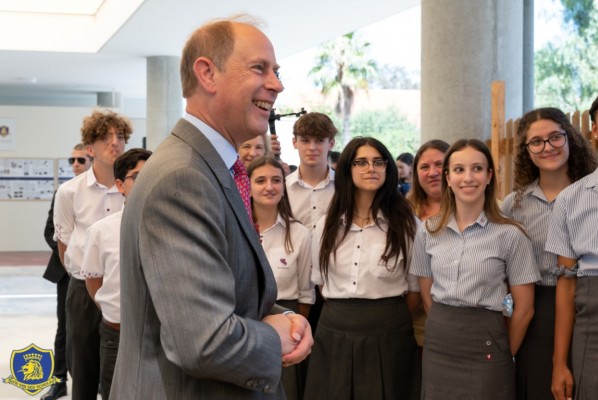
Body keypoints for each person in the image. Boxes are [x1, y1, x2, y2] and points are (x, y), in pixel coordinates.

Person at [110, 16, 312, 399]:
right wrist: (275, 336)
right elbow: (204, 341)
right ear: (207, 73)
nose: (277, 84)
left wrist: (286, 318)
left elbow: (233, 290)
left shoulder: (212, 168)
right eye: (259, 68)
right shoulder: (183, 178)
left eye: (277, 71)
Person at [410, 139, 540, 399]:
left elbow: (525, 308)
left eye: (477, 169)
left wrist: (505, 353)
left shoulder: (511, 235)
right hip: (439, 343)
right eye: (459, 170)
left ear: (489, 176)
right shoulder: (428, 230)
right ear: (448, 177)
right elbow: (426, 294)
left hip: (488, 345)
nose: (468, 178)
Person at [305, 136, 421, 400]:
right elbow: (322, 284)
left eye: (378, 162)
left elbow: (415, 291)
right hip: (334, 330)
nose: (371, 168)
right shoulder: (327, 224)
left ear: (388, 169)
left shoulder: (408, 225)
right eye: (362, 162)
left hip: (389, 332)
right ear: (347, 169)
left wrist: (382, 317)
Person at [501, 108, 597, 400]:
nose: (548, 147)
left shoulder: (590, 193)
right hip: (538, 311)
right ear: (526, 150)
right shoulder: (512, 206)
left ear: (571, 139)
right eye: (537, 142)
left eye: (555, 137)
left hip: (587, 307)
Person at [53, 109, 132, 400]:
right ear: (90, 148)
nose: (115, 143)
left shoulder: (133, 190)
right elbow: (64, 245)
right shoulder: (70, 192)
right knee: (83, 370)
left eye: (120, 136)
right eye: (105, 137)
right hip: (83, 292)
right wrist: (86, 278)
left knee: (120, 370)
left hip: (122, 291)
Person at [80, 148, 151, 400]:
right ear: (120, 185)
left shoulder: (171, 226)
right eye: (137, 177)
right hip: (117, 335)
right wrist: (111, 308)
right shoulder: (101, 231)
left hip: (159, 336)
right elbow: (93, 280)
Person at [547, 96, 598, 400]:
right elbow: (566, 287)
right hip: (592, 324)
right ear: (595, 131)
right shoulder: (570, 201)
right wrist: (559, 364)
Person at [247, 156, 314, 400]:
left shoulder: (299, 233)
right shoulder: (235, 229)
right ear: (248, 186)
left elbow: (306, 293)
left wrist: (294, 332)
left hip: (288, 326)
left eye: (276, 180)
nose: (269, 187)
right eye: (261, 180)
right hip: (246, 326)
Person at [40, 143, 93, 400]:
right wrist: (73, 254)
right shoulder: (64, 192)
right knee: (65, 328)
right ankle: (59, 381)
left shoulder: (106, 193)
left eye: (80, 160)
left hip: (100, 273)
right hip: (67, 272)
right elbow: (50, 231)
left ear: (91, 160)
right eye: (72, 159)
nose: (75, 164)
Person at [405, 140, 449, 350]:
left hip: (454, 318)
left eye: (439, 164)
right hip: (412, 321)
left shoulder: (474, 209)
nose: (432, 172)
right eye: (424, 167)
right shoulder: (403, 212)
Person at [286, 112, 337, 231]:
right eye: (305, 140)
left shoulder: (345, 186)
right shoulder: (283, 188)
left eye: (319, 140)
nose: (312, 147)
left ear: (331, 144)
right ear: (295, 143)